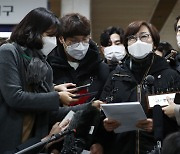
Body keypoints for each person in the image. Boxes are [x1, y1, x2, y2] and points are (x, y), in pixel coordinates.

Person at [0, 7, 102, 153]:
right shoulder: (9, 52)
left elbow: (51, 113)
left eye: (55, 36)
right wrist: (57, 96)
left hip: (36, 143)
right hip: (9, 141)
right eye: (49, 35)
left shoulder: (45, 65)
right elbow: (15, 97)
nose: (53, 41)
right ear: (31, 31)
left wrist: (89, 107)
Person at [97, 20, 180, 154]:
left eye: (144, 36)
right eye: (132, 38)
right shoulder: (116, 76)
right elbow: (102, 110)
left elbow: (177, 118)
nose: (138, 42)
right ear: (127, 45)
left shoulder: (170, 76)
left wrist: (158, 126)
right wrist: (105, 125)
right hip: (121, 148)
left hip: (159, 148)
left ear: (154, 43)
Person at [47, 13, 109, 104]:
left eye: (84, 39)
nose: (80, 46)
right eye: (74, 41)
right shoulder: (49, 67)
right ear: (61, 39)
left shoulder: (101, 69)